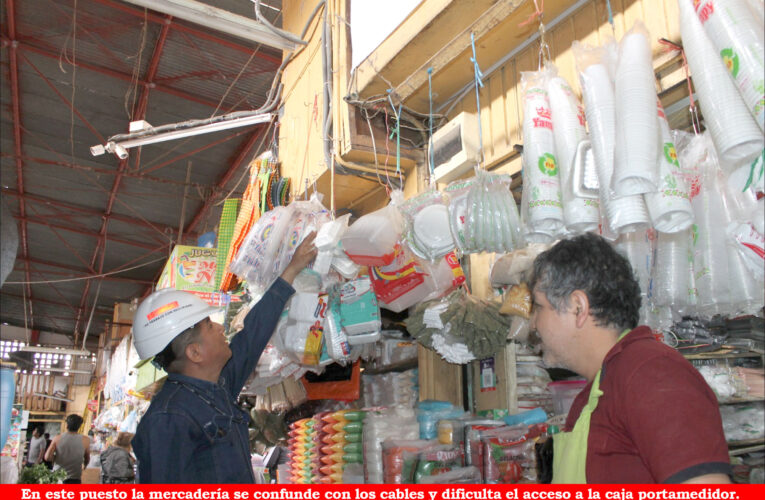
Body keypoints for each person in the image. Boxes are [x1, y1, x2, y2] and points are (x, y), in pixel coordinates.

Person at [529, 233, 731, 484]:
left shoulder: (651, 373)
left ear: (578, 307)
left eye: (538, 307)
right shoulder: (596, 390)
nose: (533, 323)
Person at [131, 233, 317, 483]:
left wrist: (292, 270)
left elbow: (252, 335)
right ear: (194, 353)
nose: (220, 328)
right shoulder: (169, 418)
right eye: (209, 325)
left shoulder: (216, 386)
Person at [45, 414, 90, 484]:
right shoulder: (86, 440)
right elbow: (87, 459)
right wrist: (85, 466)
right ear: (79, 426)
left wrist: (55, 458)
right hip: (75, 478)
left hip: (58, 477)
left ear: (67, 425)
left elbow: (47, 457)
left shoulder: (57, 438)